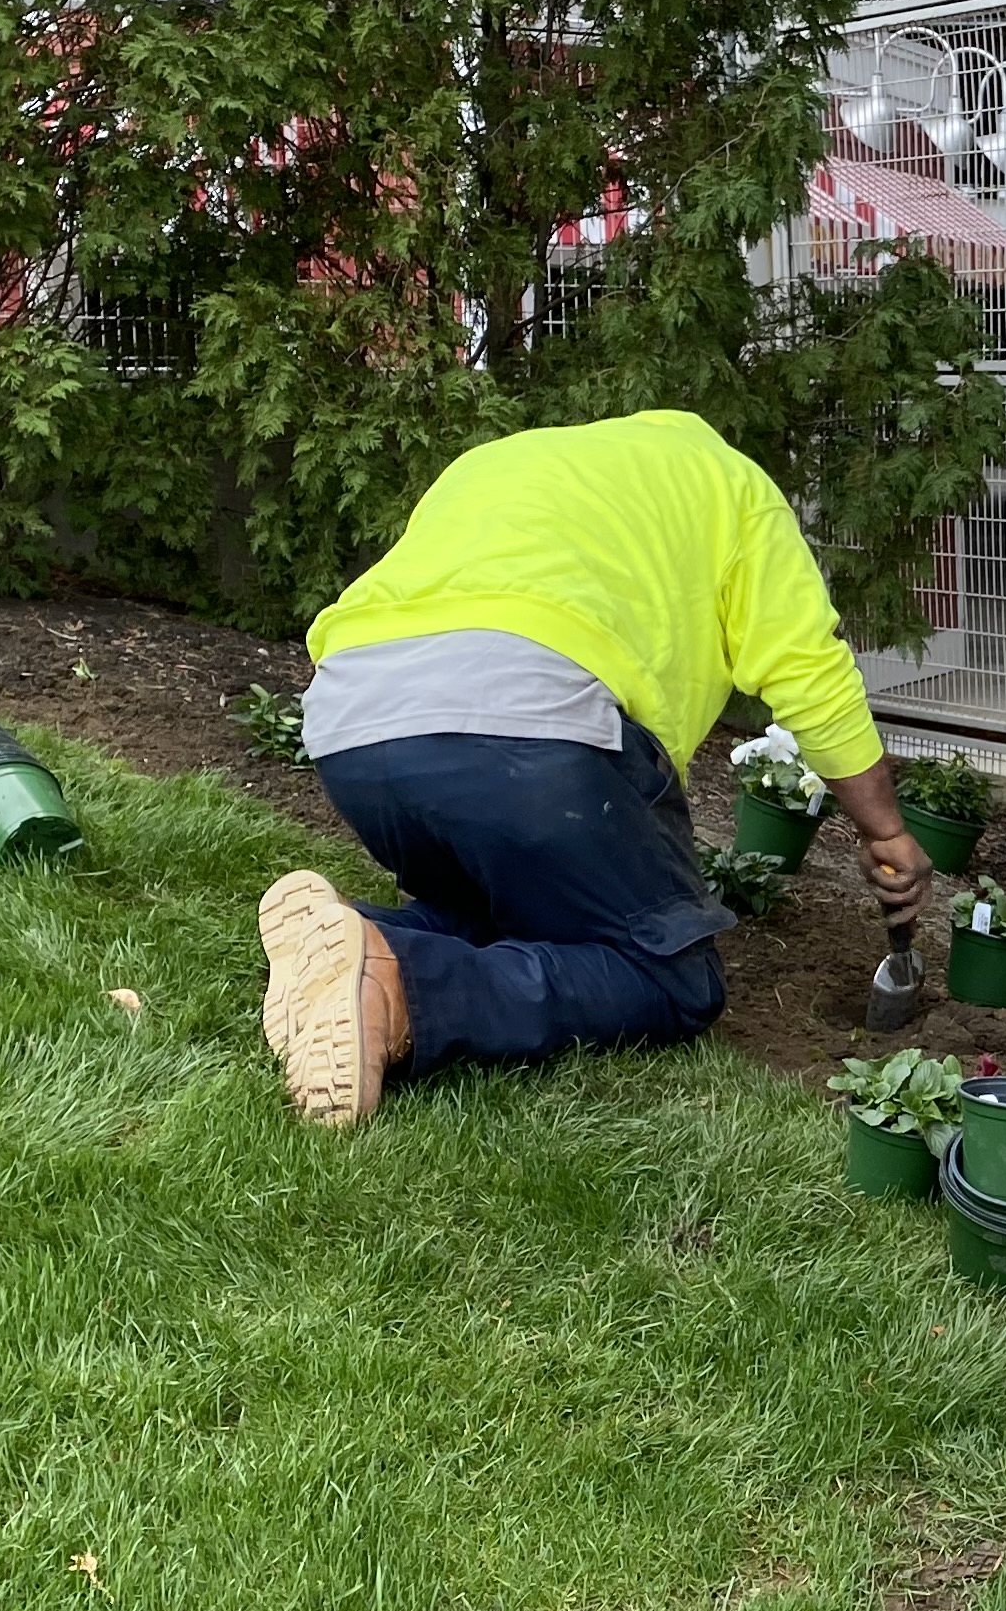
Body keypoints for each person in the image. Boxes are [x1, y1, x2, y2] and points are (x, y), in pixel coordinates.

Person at [256, 408, 930, 1130]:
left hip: (351, 722)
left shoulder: (498, 463)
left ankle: (342, 937)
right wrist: (884, 831)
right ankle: (399, 988)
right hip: (526, 731)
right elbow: (810, 671)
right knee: (673, 980)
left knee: (506, 915)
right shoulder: (732, 485)